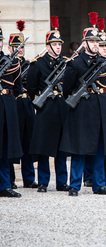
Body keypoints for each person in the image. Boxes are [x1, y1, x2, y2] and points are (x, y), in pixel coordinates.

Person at [60, 12, 106, 196]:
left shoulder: (104, 63)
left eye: (97, 42)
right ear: (84, 43)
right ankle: (75, 185)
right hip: (83, 107)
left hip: (99, 105)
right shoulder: (75, 63)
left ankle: (99, 184)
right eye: (91, 42)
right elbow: (67, 88)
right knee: (79, 148)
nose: (95, 45)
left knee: (100, 147)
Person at [27, 16, 69, 193]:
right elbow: (31, 88)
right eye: (55, 44)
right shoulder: (38, 64)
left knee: (62, 147)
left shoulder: (66, 63)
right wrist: (41, 99)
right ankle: (43, 181)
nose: (58, 47)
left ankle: (62, 182)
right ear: (47, 46)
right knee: (45, 146)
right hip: (46, 108)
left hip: (61, 106)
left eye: (60, 44)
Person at [83, 18, 106, 188]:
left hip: (105, 103)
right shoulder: (88, 62)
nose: (103, 48)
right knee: (91, 141)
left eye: (104, 46)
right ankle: (89, 176)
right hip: (89, 104)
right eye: (100, 45)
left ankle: (104, 176)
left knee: (104, 143)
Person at [8, 20, 38, 189]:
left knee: (28, 142)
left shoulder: (28, 64)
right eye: (16, 47)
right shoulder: (8, 65)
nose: (20, 50)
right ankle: (10, 179)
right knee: (13, 141)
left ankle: (29, 178)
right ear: (10, 48)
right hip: (14, 104)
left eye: (22, 47)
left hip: (27, 104)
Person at [0, 21, 23, 198]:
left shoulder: (11, 62)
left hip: (7, 102)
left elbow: (18, 87)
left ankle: (5, 184)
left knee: (6, 145)